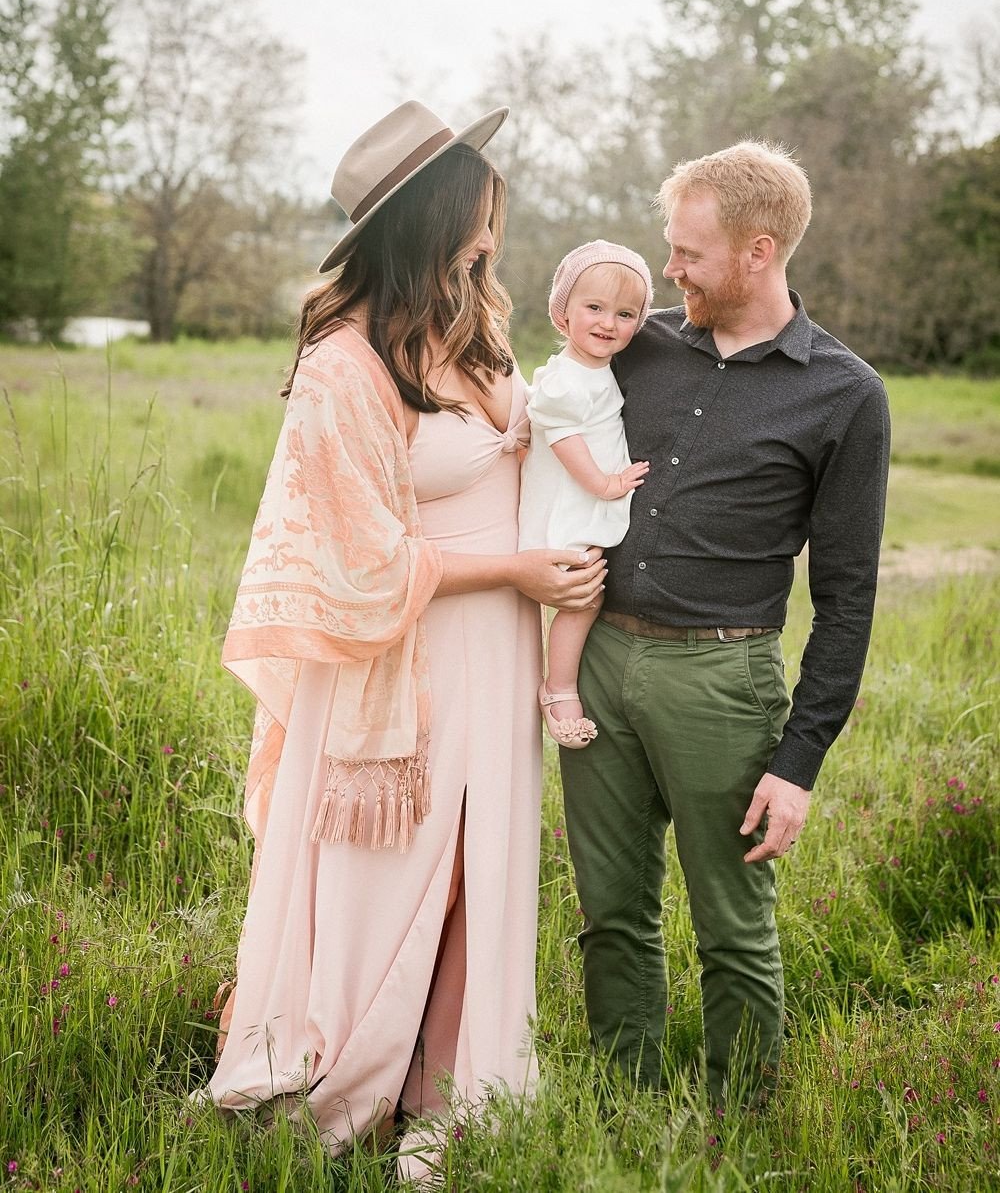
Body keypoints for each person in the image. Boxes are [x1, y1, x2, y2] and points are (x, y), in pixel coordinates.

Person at [197, 100, 606, 1178]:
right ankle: (349, 1068)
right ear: (433, 216)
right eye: (477, 206)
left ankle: (449, 1084)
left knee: (479, 863)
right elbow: (358, 555)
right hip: (406, 653)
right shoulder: (345, 364)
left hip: (500, 648)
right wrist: (515, 570)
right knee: (392, 871)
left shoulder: (476, 330)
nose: (491, 228)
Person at [560, 141, 890, 1106]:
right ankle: (623, 1105)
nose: (669, 271)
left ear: (758, 251)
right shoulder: (640, 345)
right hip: (598, 659)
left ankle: (735, 1126)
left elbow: (848, 597)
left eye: (689, 253)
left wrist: (799, 761)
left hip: (722, 680)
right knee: (610, 911)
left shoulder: (846, 394)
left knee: (733, 929)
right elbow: (544, 402)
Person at [518, 241, 653, 748]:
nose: (607, 323)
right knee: (583, 598)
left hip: (581, 505)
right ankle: (558, 689)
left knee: (589, 596)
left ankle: (560, 682)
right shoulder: (566, 381)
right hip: (568, 506)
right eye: (594, 307)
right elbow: (565, 440)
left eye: (625, 314)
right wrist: (606, 483)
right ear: (563, 314)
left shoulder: (595, 370)